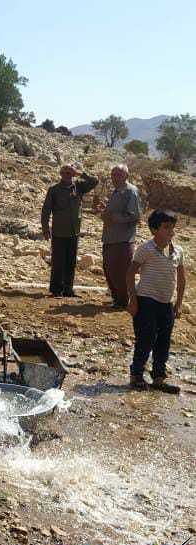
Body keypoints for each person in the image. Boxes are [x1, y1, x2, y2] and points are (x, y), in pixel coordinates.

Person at [126, 210, 186, 393]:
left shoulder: (177, 251)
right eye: (166, 227)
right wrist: (133, 300)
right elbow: (130, 274)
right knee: (146, 337)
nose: (171, 231)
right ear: (154, 230)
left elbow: (181, 279)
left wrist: (179, 303)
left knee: (164, 341)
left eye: (172, 227)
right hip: (146, 300)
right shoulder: (146, 249)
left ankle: (158, 378)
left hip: (166, 303)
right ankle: (136, 375)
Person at [40, 164, 99, 297]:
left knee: (71, 261)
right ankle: (56, 290)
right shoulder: (54, 190)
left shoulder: (78, 187)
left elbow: (94, 181)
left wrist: (79, 173)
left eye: (70, 173)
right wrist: (45, 228)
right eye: (65, 173)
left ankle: (68, 289)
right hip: (59, 231)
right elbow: (46, 210)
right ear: (61, 174)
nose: (68, 175)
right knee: (58, 261)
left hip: (74, 231)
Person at [101, 164, 141, 308]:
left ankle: (123, 301)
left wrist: (112, 217)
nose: (115, 177)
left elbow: (135, 216)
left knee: (120, 271)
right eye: (113, 174)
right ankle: (117, 299)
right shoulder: (117, 191)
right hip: (110, 238)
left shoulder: (131, 191)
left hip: (123, 239)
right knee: (108, 269)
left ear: (126, 176)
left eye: (118, 175)